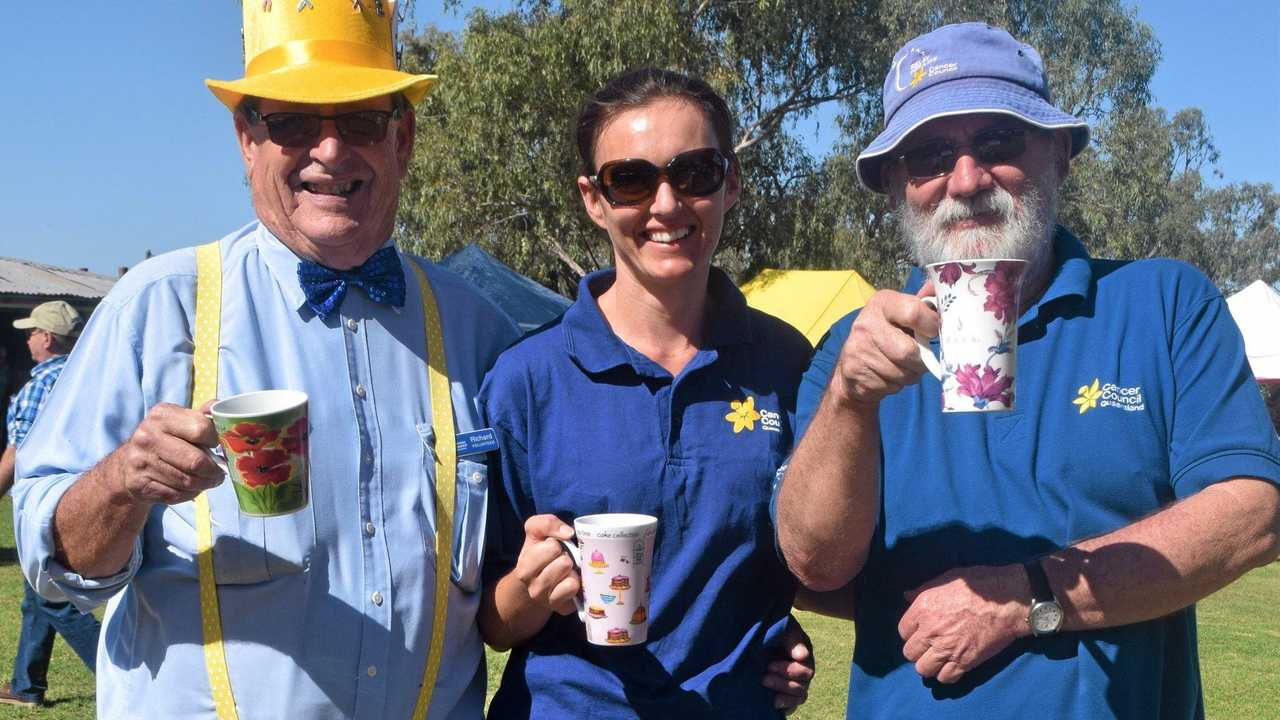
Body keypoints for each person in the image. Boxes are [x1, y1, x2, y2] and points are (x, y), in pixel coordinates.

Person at [12, 4, 518, 718]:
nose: (331, 151)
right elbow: (55, 561)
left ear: (403, 139)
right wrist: (124, 481)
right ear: (247, 139)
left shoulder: (477, 331)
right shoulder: (162, 307)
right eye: (293, 122)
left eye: (363, 121)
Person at [775, 22, 1280, 720]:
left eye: (998, 142)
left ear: (1060, 154)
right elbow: (816, 565)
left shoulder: (1162, 303)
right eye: (928, 155)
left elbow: (1251, 514)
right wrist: (849, 402)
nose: (966, 179)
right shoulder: (849, 354)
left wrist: (1028, 599)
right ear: (896, 184)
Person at [478, 67, 816, 717]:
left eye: (694, 173)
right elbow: (491, 622)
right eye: (631, 179)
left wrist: (779, 635)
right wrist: (528, 587)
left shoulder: (786, 363)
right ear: (593, 198)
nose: (666, 204)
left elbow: (807, 554)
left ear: (732, 182)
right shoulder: (527, 381)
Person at [0, 302, 102, 708]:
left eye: (31, 332)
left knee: (53, 598)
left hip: (41, 504)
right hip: (82, 493)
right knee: (37, 594)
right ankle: (26, 685)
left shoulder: (39, 384)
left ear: (47, 337)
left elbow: (17, 451)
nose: (27, 339)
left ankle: (118, 673)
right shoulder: (88, 376)